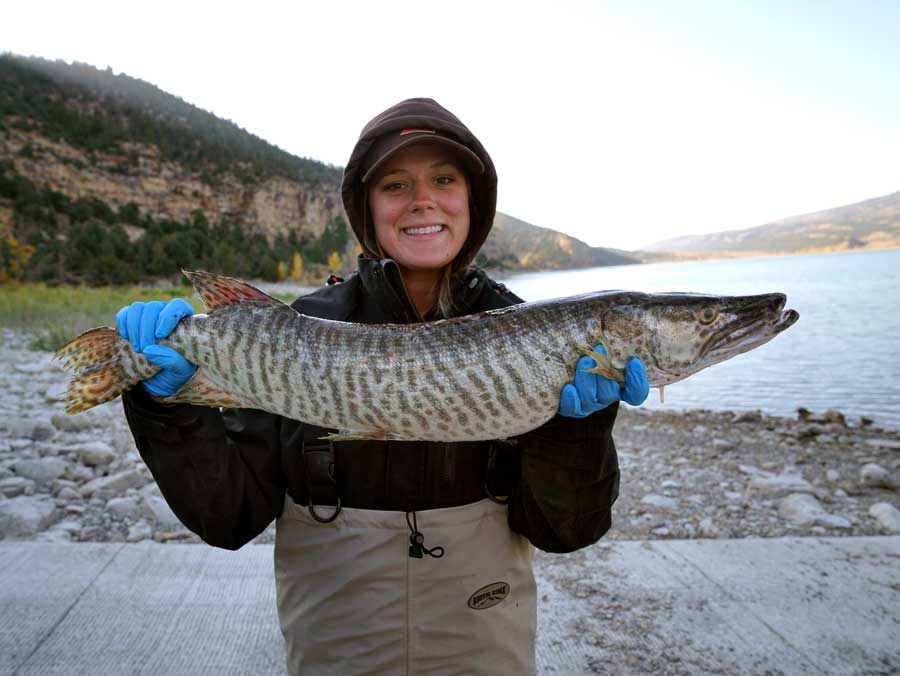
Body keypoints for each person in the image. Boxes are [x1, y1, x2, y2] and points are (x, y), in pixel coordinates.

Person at [118, 98, 649, 676]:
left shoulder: (531, 332)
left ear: (473, 200)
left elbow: (567, 532)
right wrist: (163, 401)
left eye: (444, 180)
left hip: (482, 631)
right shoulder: (300, 328)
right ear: (367, 211)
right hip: (338, 645)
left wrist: (579, 430)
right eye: (396, 185)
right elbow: (227, 517)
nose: (423, 199)